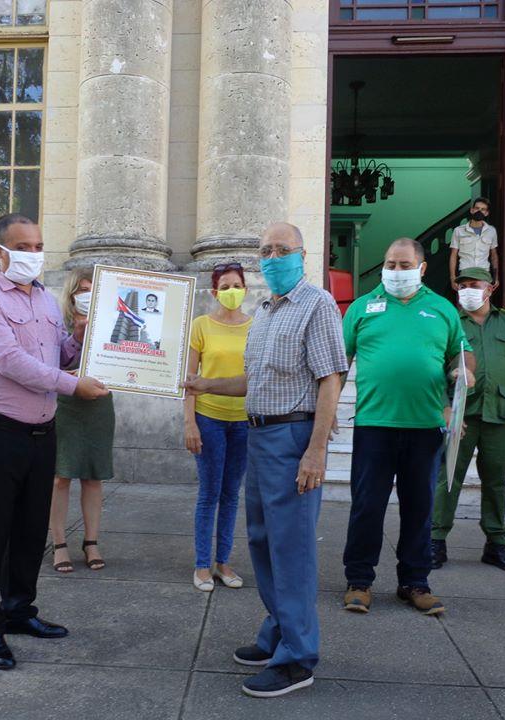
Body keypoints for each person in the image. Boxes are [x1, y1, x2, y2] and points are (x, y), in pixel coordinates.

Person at [185, 223, 347, 699]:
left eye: (282, 249)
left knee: (291, 546)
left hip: (294, 435)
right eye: (266, 250)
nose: (273, 257)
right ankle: (277, 630)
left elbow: (330, 379)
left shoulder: (315, 305)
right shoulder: (267, 311)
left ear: (301, 255)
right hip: (259, 433)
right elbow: (252, 381)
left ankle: (298, 657)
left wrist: (316, 449)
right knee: (261, 540)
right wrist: (204, 386)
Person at [0, 213, 108, 670]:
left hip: (42, 433)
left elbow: (58, 350)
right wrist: (71, 385)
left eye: (39, 245)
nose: (33, 255)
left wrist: (81, 339)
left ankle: (19, 610)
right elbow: (9, 361)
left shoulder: (45, 298)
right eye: (23, 246)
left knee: (28, 531)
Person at [342, 238, 474, 616]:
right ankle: (359, 580)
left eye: (403, 265)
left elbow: (461, 353)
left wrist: (462, 379)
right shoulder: (362, 308)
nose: (395, 271)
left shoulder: (441, 309)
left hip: (425, 426)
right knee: (367, 506)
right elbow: (339, 362)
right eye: (390, 264)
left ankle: (415, 582)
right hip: (374, 424)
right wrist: (327, 411)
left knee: (419, 508)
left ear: (421, 268)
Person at [431, 268, 505, 574]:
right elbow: (433, 370)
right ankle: (435, 539)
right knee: (448, 476)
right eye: (462, 285)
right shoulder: (448, 322)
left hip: (498, 414)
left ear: (490, 288)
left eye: (474, 285)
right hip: (461, 415)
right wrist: (444, 408)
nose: (467, 290)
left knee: (495, 481)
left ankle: (496, 543)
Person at [184, 262, 251, 592]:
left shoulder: (256, 327)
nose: (230, 292)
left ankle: (223, 561)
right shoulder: (201, 326)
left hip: (243, 422)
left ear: (246, 289)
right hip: (208, 420)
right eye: (224, 287)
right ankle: (201, 565)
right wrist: (189, 423)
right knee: (209, 493)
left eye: (236, 285)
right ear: (214, 292)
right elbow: (190, 380)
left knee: (231, 494)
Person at [49, 268, 114, 573]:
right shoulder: (56, 320)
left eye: (93, 289)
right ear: (72, 293)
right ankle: (59, 543)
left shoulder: (113, 319)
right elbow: (56, 362)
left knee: (93, 475)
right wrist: (77, 333)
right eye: (82, 290)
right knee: (61, 475)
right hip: (65, 401)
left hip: (99, 401)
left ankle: (91, 542)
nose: (88, 295)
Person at [449, 197, 499, 290]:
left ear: (486, 213)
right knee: (465, 302)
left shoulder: (491, 231)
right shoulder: (459, 231)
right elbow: (453, 255)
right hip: (465, 272)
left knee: (483, 301)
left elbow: (494, 256)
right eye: (477, 208)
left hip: (483, 272)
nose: (479, 211)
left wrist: (496, 277)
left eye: (483, 209)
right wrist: (453, 278)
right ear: (472, 210)